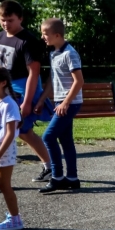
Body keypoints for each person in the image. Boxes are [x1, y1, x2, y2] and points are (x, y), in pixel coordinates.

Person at [0, 0, 52, 192]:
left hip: (20, 92)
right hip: (1, 91)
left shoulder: (28, 41)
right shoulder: (0, 36)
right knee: (22, 133)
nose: (6, 24)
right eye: (3, 20)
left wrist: (27, 102)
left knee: (11, 134)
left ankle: (1, 178)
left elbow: (33, 73)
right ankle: (50, 166)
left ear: (20, 18)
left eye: (10, 20)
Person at [35, 18, 84, 193]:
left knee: (48, 137)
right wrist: (42, 100)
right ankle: (72, 178)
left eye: (45, 34)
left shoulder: (69, 53)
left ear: (57, 35)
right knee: (65, 140)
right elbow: (52, 79)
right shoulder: (54, 53)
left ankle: (56, 177)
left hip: (70, 102)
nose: (43, 37)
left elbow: (79, 81)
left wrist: (65, 102)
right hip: (60, 102)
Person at [0, 66, 24, 230]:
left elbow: (10, 135)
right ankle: (14, 218)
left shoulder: (9, 104)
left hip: (4, 151)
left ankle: (15, 220)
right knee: (3, 185)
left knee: (4, 185)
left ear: (3, 83)